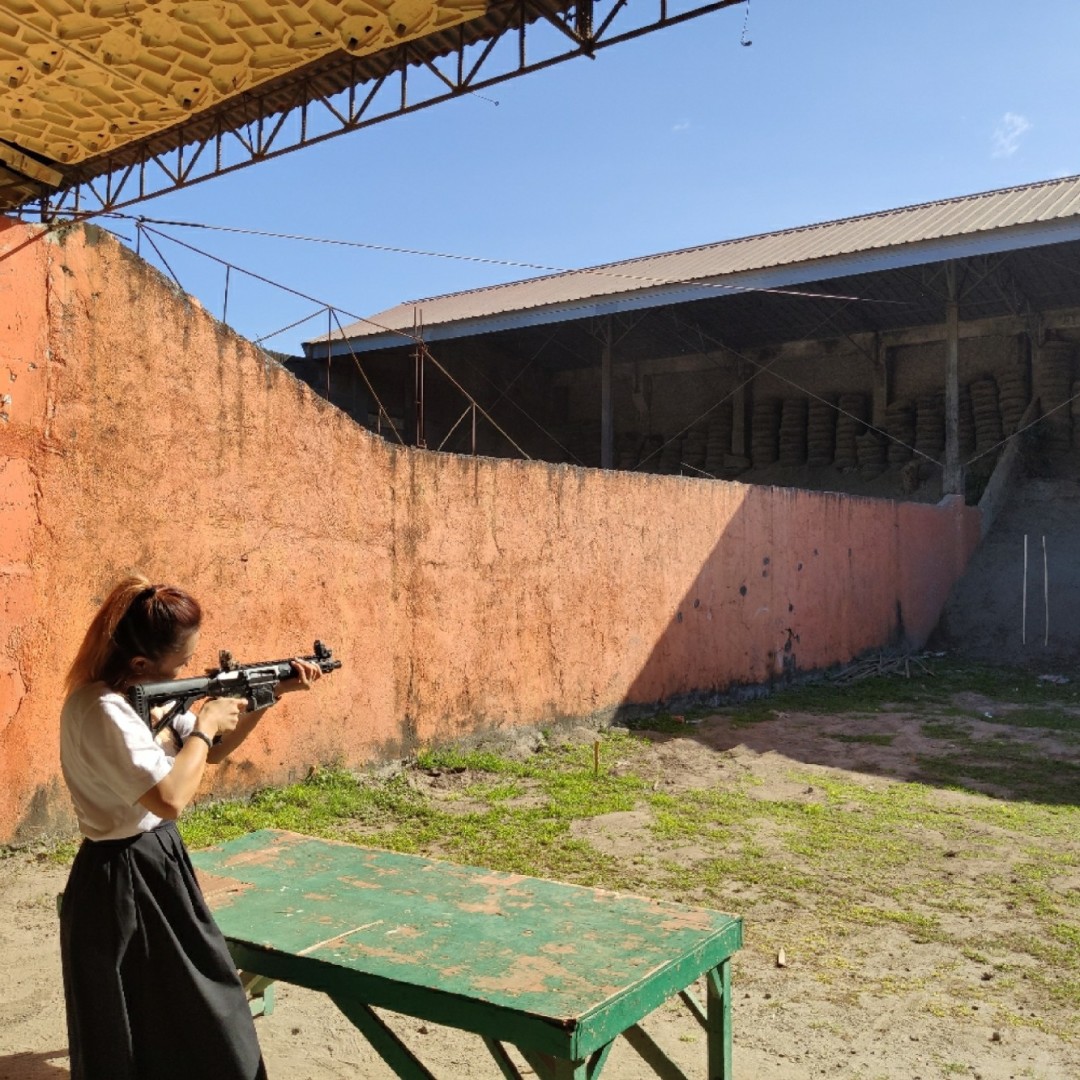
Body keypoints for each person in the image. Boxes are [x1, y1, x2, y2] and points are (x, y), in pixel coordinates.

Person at [58, 576, 324, 1080]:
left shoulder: (138, 698)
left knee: (177, 1011)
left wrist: (263, 698)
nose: (186, 670)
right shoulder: (104, 711)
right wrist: (204, 722)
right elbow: (172, 796)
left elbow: (210, 755)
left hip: (153, 864)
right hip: (126, 875)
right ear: (141, 664)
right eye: (180, 663)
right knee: (173, 1016)